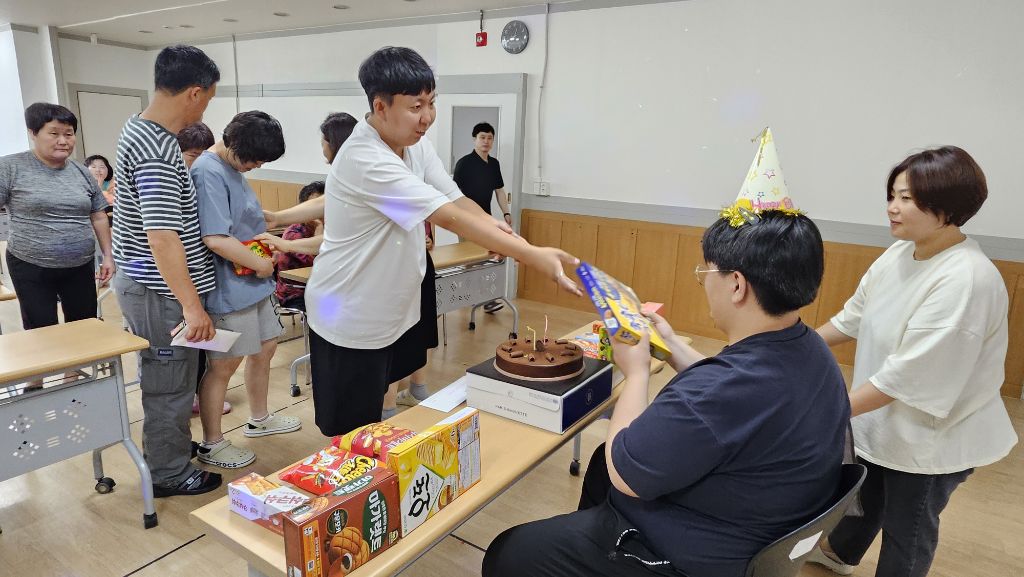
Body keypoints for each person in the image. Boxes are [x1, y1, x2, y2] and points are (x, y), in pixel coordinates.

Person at [483, 208, 851, 577]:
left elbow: (625, 471)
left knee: (510, 552)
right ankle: (594, 540)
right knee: (598, 464)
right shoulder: (812, 351)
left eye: (707, 273)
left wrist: (636, 372)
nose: (704, 283)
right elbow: (732, 400)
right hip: (760, 524)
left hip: (697, 555)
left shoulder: (717, 391)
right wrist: (670, 343)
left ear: (737, 285)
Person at [262, 46, 580, 438]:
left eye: (431, 103)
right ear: (380, 107)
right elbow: (445, 215)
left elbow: (455, 199)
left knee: (380, 408)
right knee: (350, 432)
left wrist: (511, 238)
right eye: (416, 106)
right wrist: (532, 256)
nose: (427, 116)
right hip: (350, 313)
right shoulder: (365, 157)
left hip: (393, 305)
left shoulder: (415, 143)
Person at [807, 146, 1018, 577]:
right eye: (893, 195)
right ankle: (839, 555)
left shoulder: (966, 279)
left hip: (932, 438)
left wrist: (824, 412)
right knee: (867, 495)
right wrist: (794, 345)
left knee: (909, 527)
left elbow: (903, 379)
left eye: (907, 198)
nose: (892, 207)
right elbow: (852, 318)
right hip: (885, 419)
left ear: (947, 208)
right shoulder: (902, 252)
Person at [111, 44, 222, 497]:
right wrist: (192, 308)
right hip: (159, 292)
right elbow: (162, 238)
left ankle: (169, 448)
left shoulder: (139, 127)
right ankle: (167, 472)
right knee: (169, 382)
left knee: (173, 378)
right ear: (194, 93)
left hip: (151, 284)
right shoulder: (157, 149)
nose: (206, 106)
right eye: (209, 97)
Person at [192, 110, 300, 469]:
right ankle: (212, 442)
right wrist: (261, 264)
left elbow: (241, 222)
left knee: (266, 348)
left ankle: (260, 418)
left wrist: (265, 247)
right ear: (234, 143)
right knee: (223, 364)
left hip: (253, 282)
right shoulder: (207, 171)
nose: (257, 166)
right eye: (254, 159)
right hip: (229, 287)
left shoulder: (233, 168)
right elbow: (215, 238)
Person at [0, 103, 114, 334]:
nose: (63, 141)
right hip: (30, 264)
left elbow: (99, 216)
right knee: (42, 330)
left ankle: (77, 360)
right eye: (54, 133)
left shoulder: (82, 173)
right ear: (33, 133)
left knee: (85, 327)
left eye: (69, 134)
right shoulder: (10, 167)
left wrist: (108, 256)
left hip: (80, 264)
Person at [177, 121, 230, 417]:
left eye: (203, 154)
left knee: (199, 342)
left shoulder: (207, 178)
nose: (198, 162)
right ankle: (183, 399)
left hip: (202, 275)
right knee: (177, 345)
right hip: (177, 278)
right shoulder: (174, 182)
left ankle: (197, 394)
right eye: (192, 155)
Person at [453, 121, 510, 313]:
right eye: (482, 137)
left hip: (487, 220)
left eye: (489, 138)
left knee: (486, 257)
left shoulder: (494, 164)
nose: (486, 141)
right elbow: (453, 194)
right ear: (474, 139)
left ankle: (480, 298)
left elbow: (499, 191)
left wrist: (506, 212)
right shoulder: (464, 164)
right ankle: (479, 298)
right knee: (471, 260)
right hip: (466, 221)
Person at [273, 181, 324, 311]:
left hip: (318, 288)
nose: (320, 214)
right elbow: (318, 265)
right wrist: (319, 230)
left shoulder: (332, 230)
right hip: (295, 293)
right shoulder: (294, 233)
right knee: (327, 310)